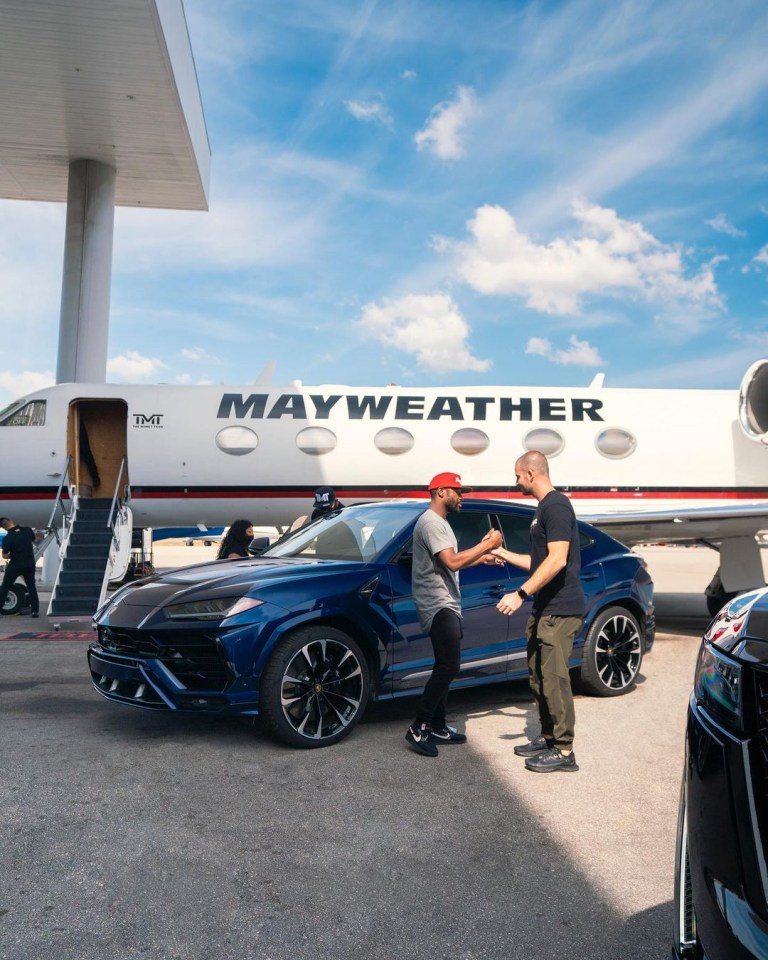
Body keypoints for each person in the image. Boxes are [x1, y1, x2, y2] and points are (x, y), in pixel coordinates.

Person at [492, 451, 585, 773]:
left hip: (561, 608)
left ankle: (564, 751)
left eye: (518, 475)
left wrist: (520, 593)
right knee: (538, 676)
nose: (516, 481)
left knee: (555, 679)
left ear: (531, 473)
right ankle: (548, 737)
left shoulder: (556, 506)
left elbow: (558, 559)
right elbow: (541, 562)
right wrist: (502, 552)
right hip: (545, 607)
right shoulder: (543, 509)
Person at [405, 472, 502, 757]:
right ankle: (418, 727)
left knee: (444, 664)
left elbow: (449, 564)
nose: (462, 497)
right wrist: (487, 545)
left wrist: (482, 557)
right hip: (437, 602)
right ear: (440, 492)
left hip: (446, 601)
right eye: (458, 492)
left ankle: (437, 726)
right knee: (449, 665)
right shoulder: (431, 522)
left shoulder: (440, 523)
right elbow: (452, 562)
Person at [0, 517, 40, 617]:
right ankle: (35, 611)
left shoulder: (8, 538)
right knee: (31, 587)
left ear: (3, 528)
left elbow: (4, 555)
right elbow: (35, 539)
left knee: (5, 587)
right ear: (11, 521)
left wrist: (12, 555)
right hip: (29, 564)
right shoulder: (27, 530)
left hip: (15, 565)